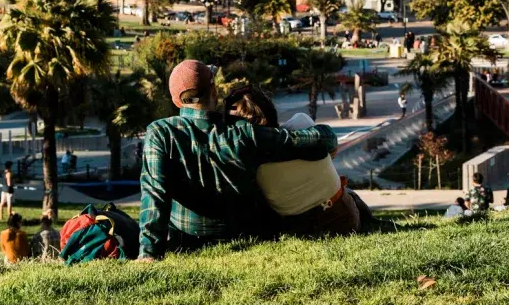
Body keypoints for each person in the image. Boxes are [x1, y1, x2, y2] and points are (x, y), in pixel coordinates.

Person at [137, 60, 339, 262]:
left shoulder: (160, 133)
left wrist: (149, 253)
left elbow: (155, 195)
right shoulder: (244, 133)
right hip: (244, 236)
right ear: (213, 91)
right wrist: (328, 138)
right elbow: (319, 139)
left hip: (186, 240)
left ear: (177, 101)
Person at [223, 86, 368, 237]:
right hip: (344, 219)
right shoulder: (301, 123)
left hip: (300, 229)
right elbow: (332, 150)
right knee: (348, 193)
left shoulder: (245, 161)